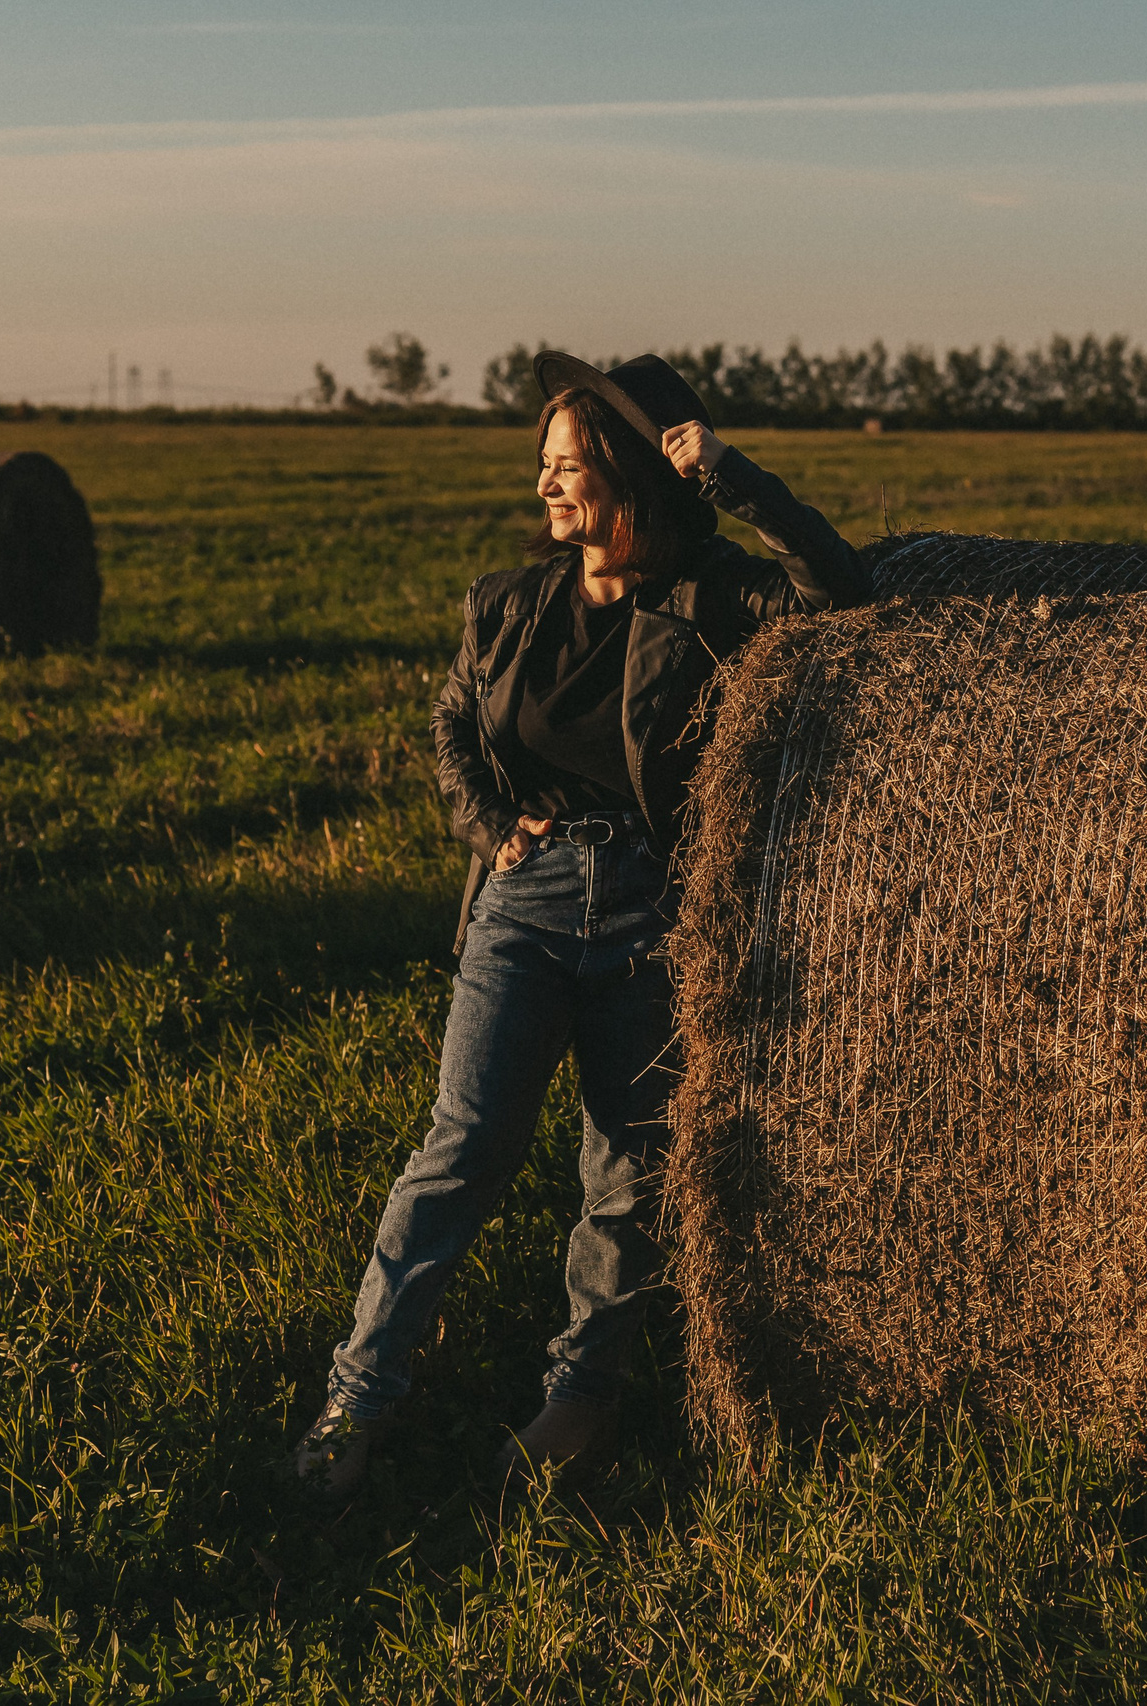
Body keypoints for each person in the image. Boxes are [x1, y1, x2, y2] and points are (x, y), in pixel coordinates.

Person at [292, 351, 868, 1497]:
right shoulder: (506, 604)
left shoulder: (713, 596)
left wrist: (736, 478)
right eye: (542, 465)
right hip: (527, 901)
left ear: (628, 477)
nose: (546, 487)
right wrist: (489, 824)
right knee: (461, 1151)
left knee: (627, 1173)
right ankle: (357, 1393)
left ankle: (581, 1395)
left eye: (567, 467)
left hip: (655, 913)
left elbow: (843, 597)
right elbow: (455, 725)